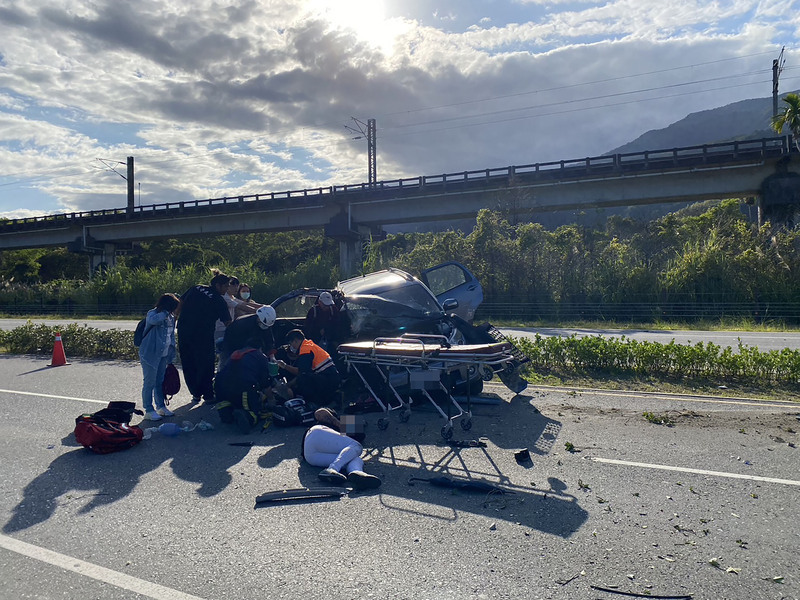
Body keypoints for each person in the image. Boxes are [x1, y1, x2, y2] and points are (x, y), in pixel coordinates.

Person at [177, 269, 232, 403]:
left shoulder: (196, 288)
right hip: (203, 336)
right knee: (206, 364)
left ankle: (195, 393)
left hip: (184, 331)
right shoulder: (219, 300)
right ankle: (207, 395)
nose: (227, 289)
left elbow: (179, 302)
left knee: (189, 362)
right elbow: (228, 323)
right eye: (225, 286)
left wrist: (175, 318)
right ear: (218, 285)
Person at [302, 407, 381, 489]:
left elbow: (360, 434)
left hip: (310, 457)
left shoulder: (347, 425)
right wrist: (337, 422)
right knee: (357, 446)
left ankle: (356, 472)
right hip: (316, 433)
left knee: (355, 459)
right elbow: (319, 413)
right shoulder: (339, 420)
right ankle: (333, 468)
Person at [138, 293, 180, 421]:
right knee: (149, 382)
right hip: (150, 353)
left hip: (163, 354)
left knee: (159, 381)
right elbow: (153, 321)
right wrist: (165, 312)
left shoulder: (171, 317)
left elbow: (171, 336)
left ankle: (161, 407)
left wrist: (171, 354)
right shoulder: (153, 313)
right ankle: (148, 410)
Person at [214, 345, 273, 433]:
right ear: (260, 348)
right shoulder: (261, 356)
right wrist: (271, 400)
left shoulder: (237, 352)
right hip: (242, 385)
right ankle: (247, 416)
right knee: (253, 411)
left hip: (220, 384)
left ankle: (226, 412)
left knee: (227, 400)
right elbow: (265, 383)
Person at [277, 329, 341, 406]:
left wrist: (284, 366)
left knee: (304, 380)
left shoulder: (305, 350)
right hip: (330, 377)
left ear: (296, 341)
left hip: (328, 380)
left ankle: (314, 403)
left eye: (291, 343)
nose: (291, 346)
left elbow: (301, 372)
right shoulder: (309, 345)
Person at [219, 305, 277, 369]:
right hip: (231, 347)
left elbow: (269, 340)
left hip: (251, 350)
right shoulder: (241, 324)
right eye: (262, 324)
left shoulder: (266, 326)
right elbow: (232, 342)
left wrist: (271, 355)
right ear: (258, 317)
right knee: (227, 368)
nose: (264, 326)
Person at [214, 276, 243, 347]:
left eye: (237, 284)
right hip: (220, 330)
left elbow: (244, 303)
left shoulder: (231, 297)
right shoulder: (224, 297)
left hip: (227, 328)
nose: (236, 287)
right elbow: (241, 306)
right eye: (232, 284)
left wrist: (262, 306)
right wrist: (258, 311)